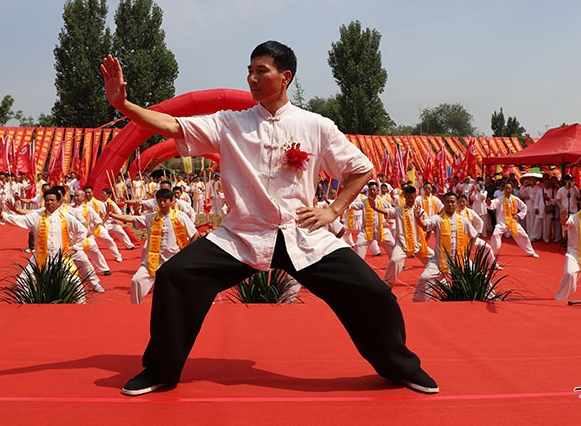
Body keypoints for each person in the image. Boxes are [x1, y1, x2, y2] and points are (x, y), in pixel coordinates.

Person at [101, 40, 439, 396]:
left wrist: (333, 209)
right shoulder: (229, 124)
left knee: (373, 293)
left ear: (285, 76)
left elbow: (360, 169)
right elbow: (172, 126)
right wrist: (121, 104)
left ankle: (399, 367)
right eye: (249, 71)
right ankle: (160, 371)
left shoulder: (316, 125)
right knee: (175, 275)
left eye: (261, 71)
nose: (252, 78)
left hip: (303, 233)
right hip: (243, 234)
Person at [0, 187, 105, 294]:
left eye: (53, 199)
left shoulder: (69, 211)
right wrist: (6, 214)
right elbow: (27, 215)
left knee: (84, 264)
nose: (50, 202)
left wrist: (75, 247)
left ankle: (94, 284)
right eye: (47, 199)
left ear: (61, 199)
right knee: (23, 281)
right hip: (43, 253)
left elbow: (82, 227)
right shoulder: (40, 214)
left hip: (67, 249)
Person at [109, 188, 198, 303]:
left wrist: (186, 253)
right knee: (136, 281)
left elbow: (195, 234)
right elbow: (132, 219)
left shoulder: (181, 217)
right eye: (159, 200)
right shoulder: (151, 217)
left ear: (172, 201)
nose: (162, 203)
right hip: (153, 259)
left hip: (173, 260)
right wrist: (112, 214)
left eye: (165, 200)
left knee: (180, 288)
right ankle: (135, 307)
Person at [412, 192, 479, 302]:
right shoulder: (437, 219)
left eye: (452, 202)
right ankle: (419, 303)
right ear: (444, 203)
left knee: (479, 275)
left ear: (456, 204)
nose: (450, 204)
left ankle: (489, 297)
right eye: (447, 202)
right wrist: (418, 219)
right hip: (439, 260)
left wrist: (467, 251)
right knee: (425, 278)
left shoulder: (463, 220)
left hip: (460, 259)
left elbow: (474, 235)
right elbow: (425, 225)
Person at [370, 185, 423, 287]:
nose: (411, 200)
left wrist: (426, 239)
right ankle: (387, 284)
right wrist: (374, 207)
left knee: (433, 259)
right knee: (394, 260)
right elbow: (387, 211)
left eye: (413, 197)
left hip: (418, 243)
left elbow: (426, 225)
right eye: (408, 197)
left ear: (415, 197)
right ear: (405, 197)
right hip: (402, 244)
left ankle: (442, 280)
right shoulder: (399, 210)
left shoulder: (419, 210)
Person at [487, 183, 539, 258]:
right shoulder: (500, 199)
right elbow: (493, 204)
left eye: (509, 188)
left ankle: (530, 252)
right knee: (495, 235)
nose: (507, 190)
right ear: (504, 190)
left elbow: (524, 207)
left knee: (523, 235)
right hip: (502, 222)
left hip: (513, 222)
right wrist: (489, 204)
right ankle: (492, 253)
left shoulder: (515, 199)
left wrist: (518, 215)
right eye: (506, 189)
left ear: (512, 190)